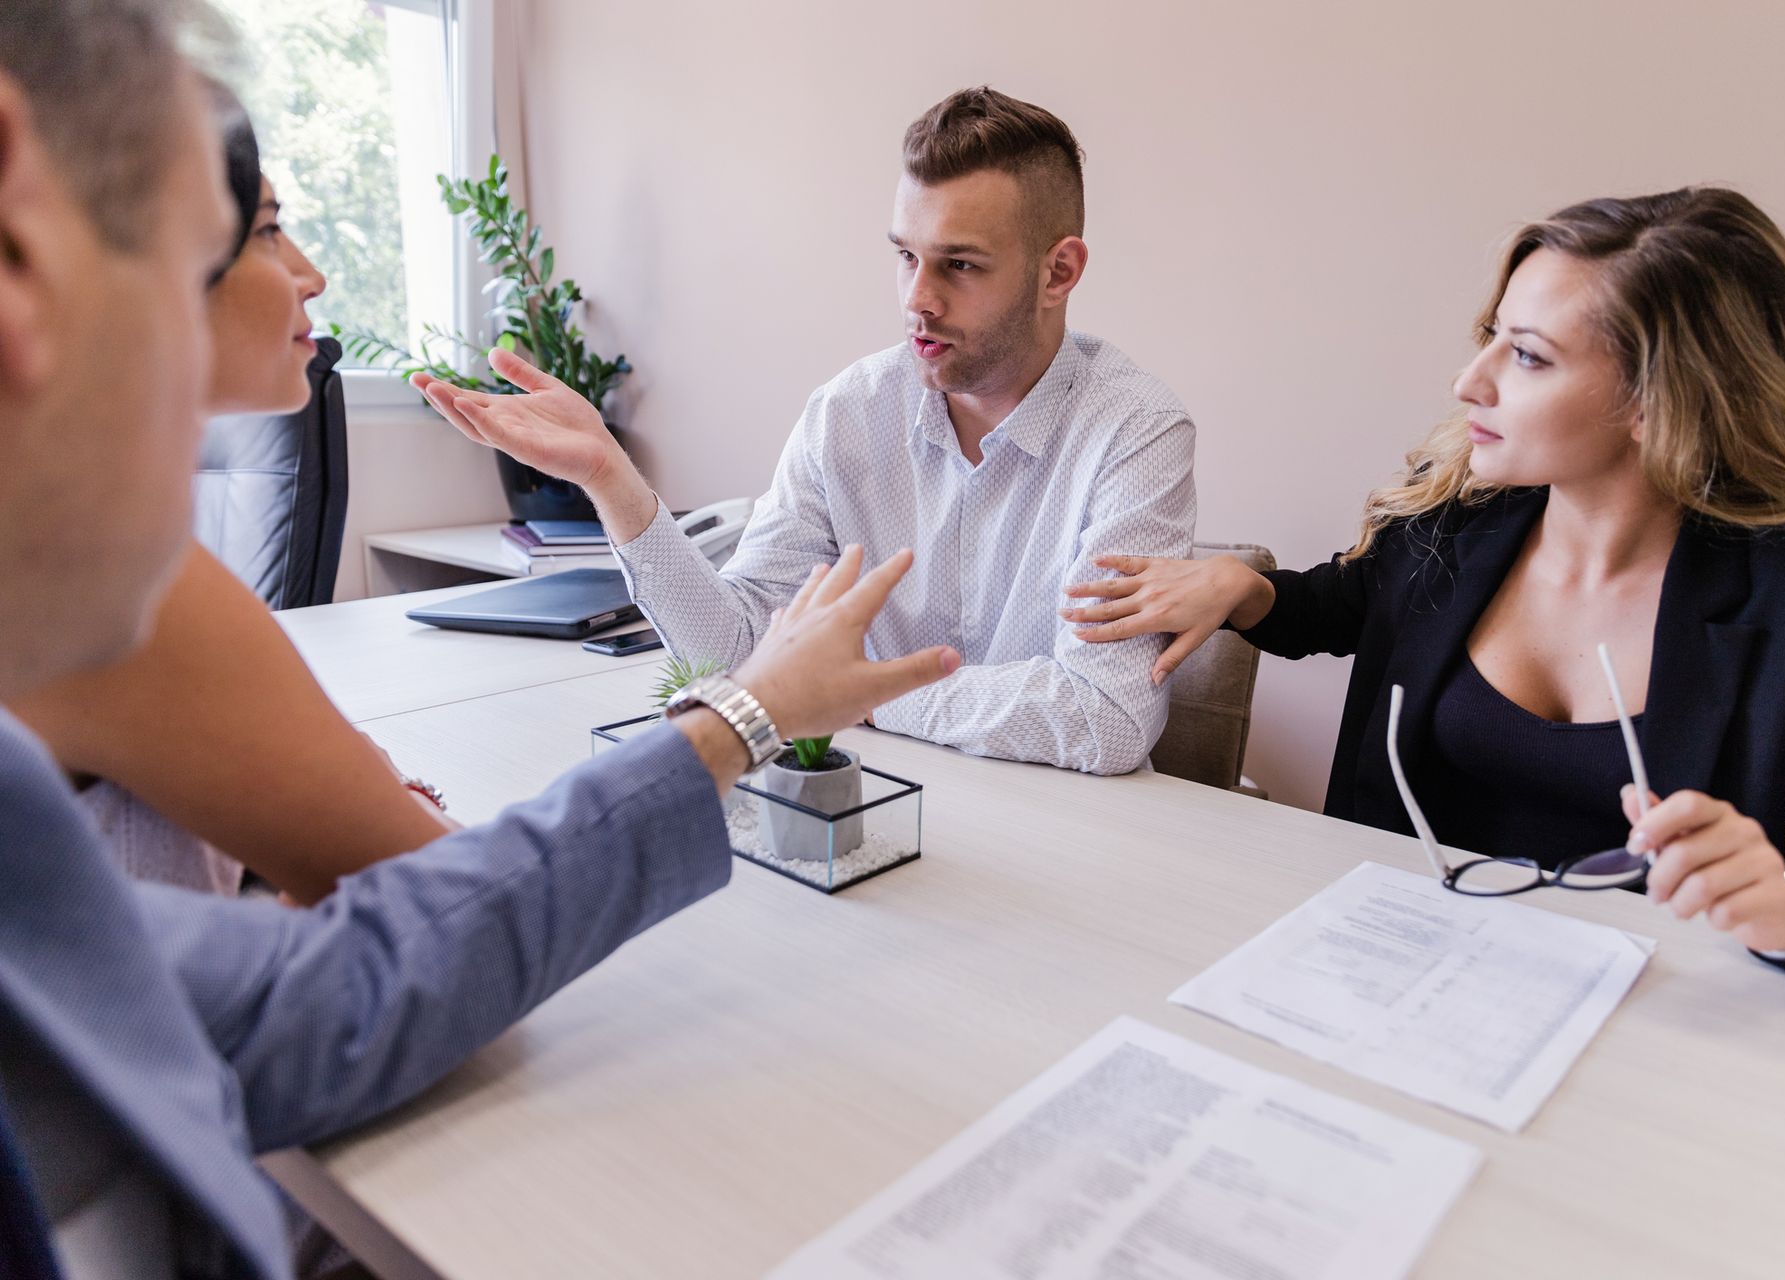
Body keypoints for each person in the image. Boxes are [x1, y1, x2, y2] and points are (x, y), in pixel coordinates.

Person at [0, 5, 957, 1275]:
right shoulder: (851, 411)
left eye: (957, 264)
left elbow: (308, 988)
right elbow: (387, 950)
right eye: (216, 242)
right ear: (24, 254)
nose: (309, 279)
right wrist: (745, 699)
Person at [1064, 188, 1785, 1005]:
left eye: (1529, 355)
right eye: (1492, 336)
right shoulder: (1457, 511)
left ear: (1662, 402)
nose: (1470, 381)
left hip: (1659, 1012)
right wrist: (1249, 591)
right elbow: (1350, 604)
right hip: (1389, 966)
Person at [411, 86, 1197, 776]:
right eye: (904, 256)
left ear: (1058, 272)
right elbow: (738, 649)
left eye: (960, 265)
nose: (917, 299)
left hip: (1070, 846)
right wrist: (611, 481)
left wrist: (853, 695)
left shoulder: (1135, 430)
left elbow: (1107, 716)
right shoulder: (848, 411)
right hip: (874, 814)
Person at [9, 87, 458, 904]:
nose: (313, 277)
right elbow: (456, 897)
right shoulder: (105, 578)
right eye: (266, 231)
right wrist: (735, 723)